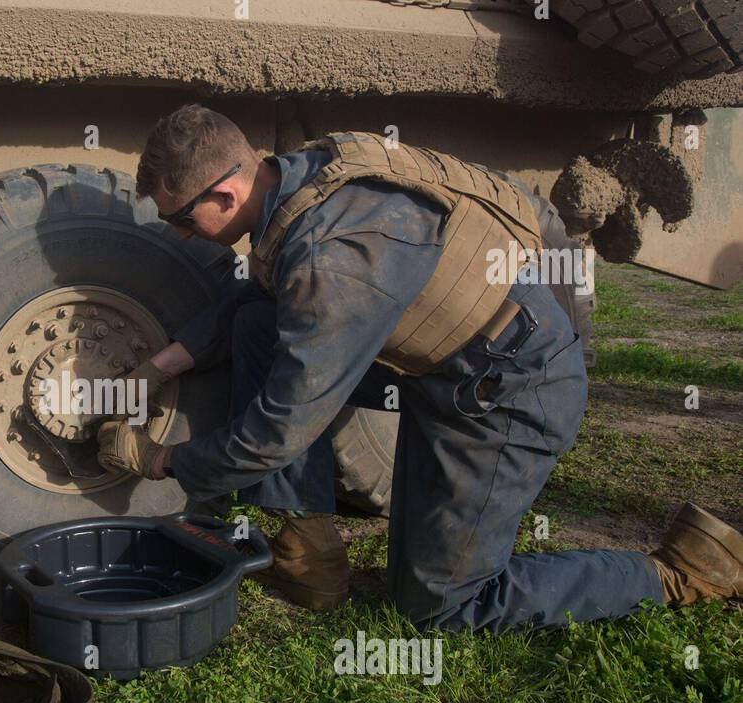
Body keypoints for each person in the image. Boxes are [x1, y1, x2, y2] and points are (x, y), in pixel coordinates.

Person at [99, 105, 742, 630]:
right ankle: (310, 550)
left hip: (510, 393)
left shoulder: (334, 256)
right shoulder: (303, 177)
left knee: (440, 605)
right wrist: (160, 364)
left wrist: (160, 461)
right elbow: (261, 296)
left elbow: (278, 431)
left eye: (182, 219)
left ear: (228, 191)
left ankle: (674, 573)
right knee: (255, 325)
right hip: (453, 368)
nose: (180, 235)